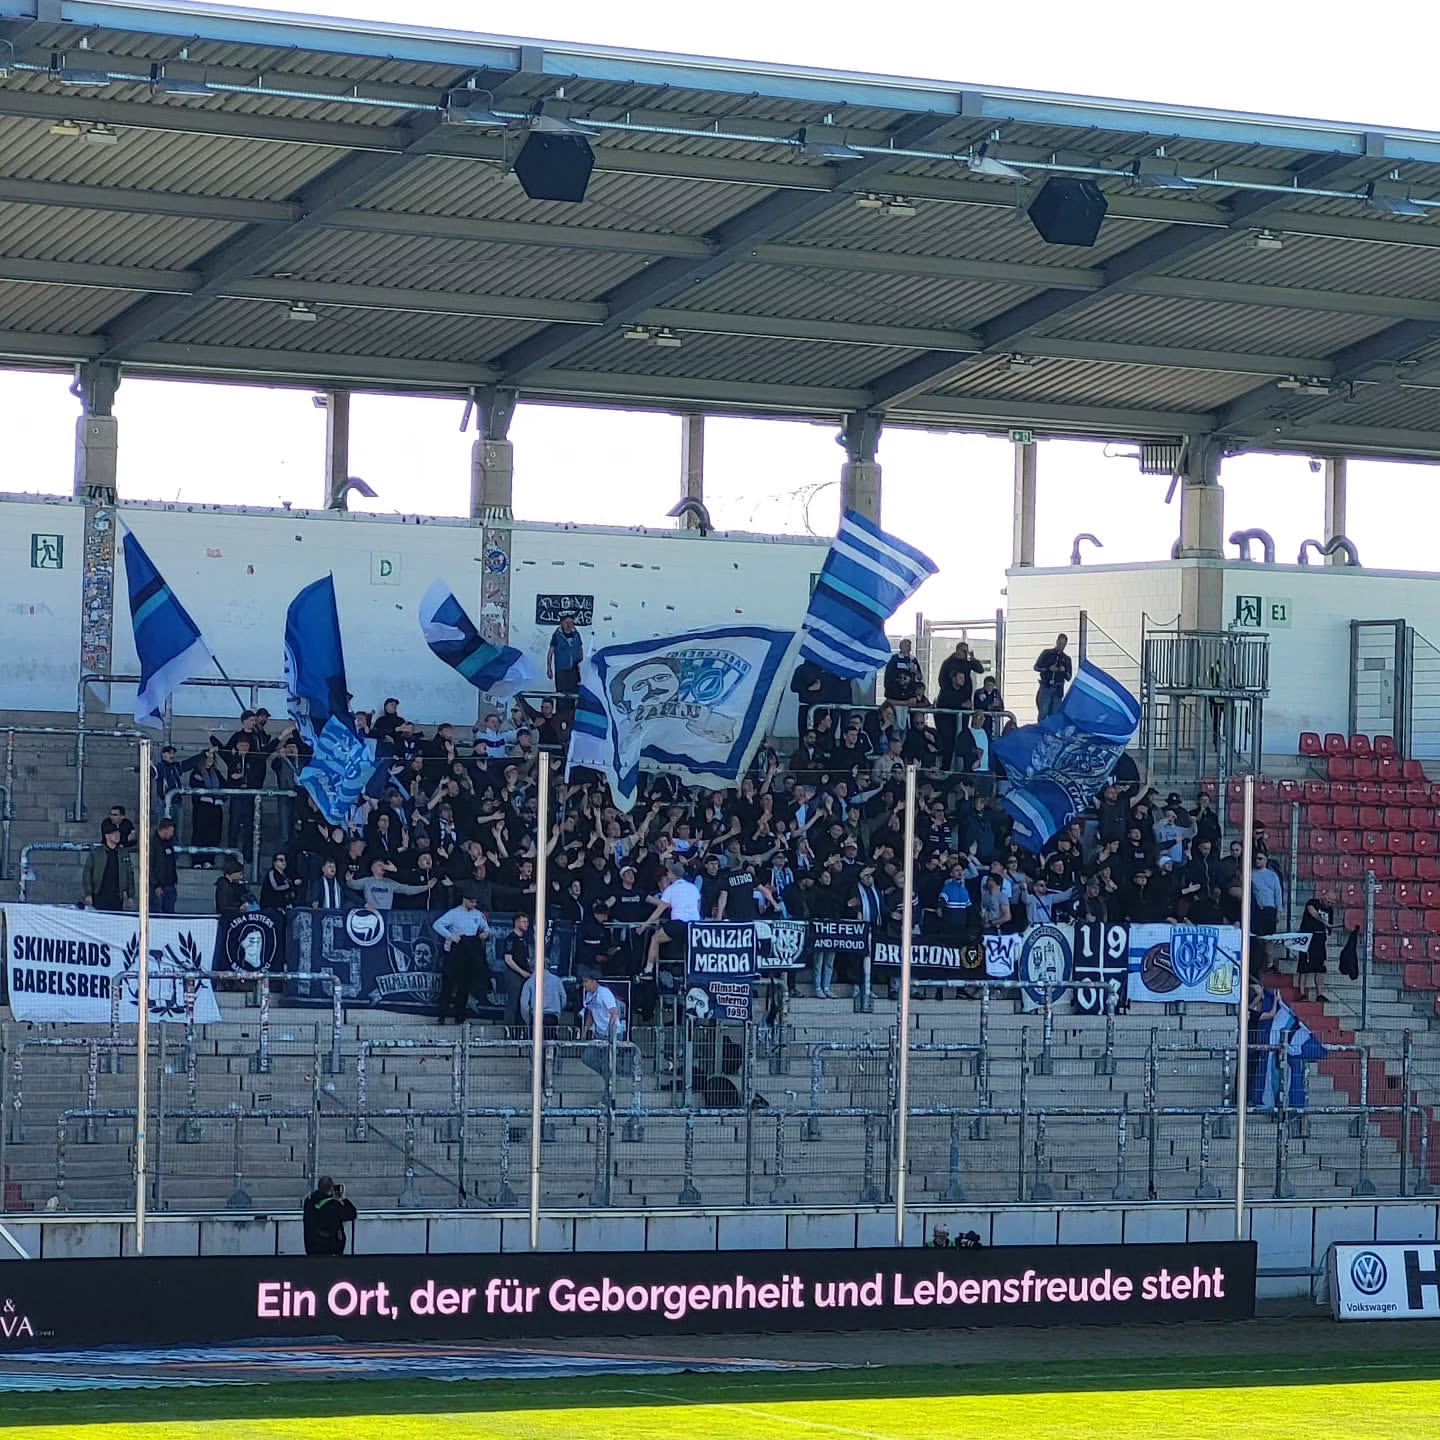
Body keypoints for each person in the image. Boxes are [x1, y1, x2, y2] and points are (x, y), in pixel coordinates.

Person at [433, 890, 491, 1025]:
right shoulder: (454, 913)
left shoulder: (478, 914)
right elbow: (437, 924)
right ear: (465, 900)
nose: (474, 904)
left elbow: (486, 928)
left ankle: (460, 1016)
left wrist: (485, 934)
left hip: (470, 954)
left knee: (464, 987)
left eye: (476, 902)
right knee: (448, 985)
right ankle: (442, 1014)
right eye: (472, 901)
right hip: (455, 952)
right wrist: (450, 936)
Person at [580, 973, 626, 1076]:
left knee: (608, 1060)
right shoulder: (588, 995)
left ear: (593, 981)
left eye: (586, 981)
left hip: (612, 1033)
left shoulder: (604, 993)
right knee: (587, 1058)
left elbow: (614, 1013)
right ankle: (609, 1076)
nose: (584, 985)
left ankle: (612, 1080)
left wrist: (609, 1032)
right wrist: (585, 1029)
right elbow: (591, 1013)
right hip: (599, 1033)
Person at [302, 1176, 357, 1256]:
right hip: (331, 1249)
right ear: (331, 1188)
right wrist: (342, 1198)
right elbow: (351, 1214)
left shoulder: (309, 1200)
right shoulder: (333, 1205)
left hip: (312, 1247)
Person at [83, 828, 134, 912]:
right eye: (114, 834)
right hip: (99, 894)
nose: (118, 836)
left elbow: (129, 874)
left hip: (117, 896)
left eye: (118, 834)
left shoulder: (123, 853)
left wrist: (130, 895)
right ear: (107, 836)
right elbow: (87, 873)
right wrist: (88, 893)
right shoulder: (96, 853)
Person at [501, 910, 534, 1032]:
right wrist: (521, 972)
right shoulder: (511, 939)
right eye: (523, 921)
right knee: (513, 1002)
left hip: (525, 974)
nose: (526, 924)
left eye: (527, 922)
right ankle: (508, 1030)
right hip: (514, 974)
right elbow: (508, 959)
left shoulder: (524, 939)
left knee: (523, 1002)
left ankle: (519, 1030)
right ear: (516, 922)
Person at [1298, 895, 1333, 1003]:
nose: (1330, 904)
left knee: (1320, 968)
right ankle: (1302, 993)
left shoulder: (1330, 910)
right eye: (1329, 901)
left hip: (1320, 940)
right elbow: (1313, 913)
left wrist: (1329, 927)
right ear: (1323, 898)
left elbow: (1329, 925)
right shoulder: (1312, 902)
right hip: (1308, 939)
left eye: (1332, 902)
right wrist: (1324, 922)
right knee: (1304, 966)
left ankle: (1320, 994)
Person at [520, 956, 565, 1038]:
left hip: (536, 1017)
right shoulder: (557, 981)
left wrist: (528, 1019)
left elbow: (524, 1004)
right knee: (551, 1044)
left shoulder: (529, 982)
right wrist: (557, 1011)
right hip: (552, 1017)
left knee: (535, 1046)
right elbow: (563, 998)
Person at [1033, 633, 1072, 720]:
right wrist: (1048, 668)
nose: (1061, 647)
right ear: (1057, 642)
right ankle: (1042, 732)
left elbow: (1069, 677)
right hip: (1046, 686)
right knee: (1043, 712)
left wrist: (1064, 670)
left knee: (1054, 715)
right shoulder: (1047, 653)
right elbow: (1036, 667)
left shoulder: (1066, 659)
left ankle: (1052, 732)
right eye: (1060, 644)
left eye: (1064, 645)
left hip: (1058, 689)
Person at [547, 612, 585, 695]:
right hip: (561, 670)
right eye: (566, 622)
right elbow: (550, 652)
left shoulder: (576, 634)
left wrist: (581, 665)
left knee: (574, 694)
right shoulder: (557, 635)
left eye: (571, 622)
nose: (569, 625)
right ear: (562, 623)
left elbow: (580, 648)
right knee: (562, 695)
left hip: (574, 671)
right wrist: (549, 668)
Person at [150, 818, 179, 915]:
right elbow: (149, 867)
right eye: (171, 831)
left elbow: (172, 862)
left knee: (170, 914)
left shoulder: (170, 842)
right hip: (158, 887)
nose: (172, 834)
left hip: (170, 885)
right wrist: (156, 885)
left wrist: (174, 879)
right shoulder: (152, 844)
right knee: (157, 914)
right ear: (164, 829)